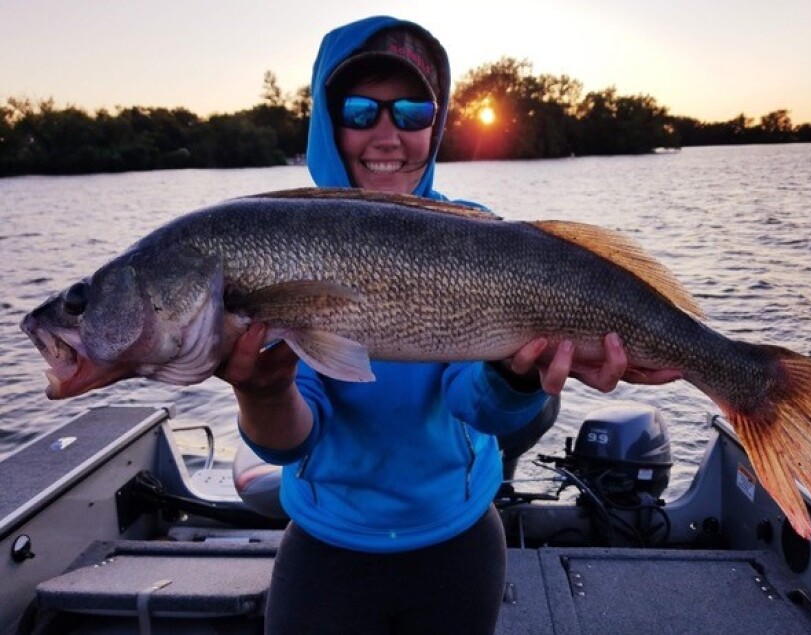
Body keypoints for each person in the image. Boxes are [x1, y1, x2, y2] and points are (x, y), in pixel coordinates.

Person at [218, 15, 678, 634]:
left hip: (459, 541)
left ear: (434, 126)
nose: (387, 135)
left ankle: (753, 385)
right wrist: (263, 389)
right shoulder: (285, 245)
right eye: (360, 111)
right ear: (328, 122)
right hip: (327, 548)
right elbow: (292, 438)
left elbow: (476, 406)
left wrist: (516, 381)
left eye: (411, 112)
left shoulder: (475, 231)